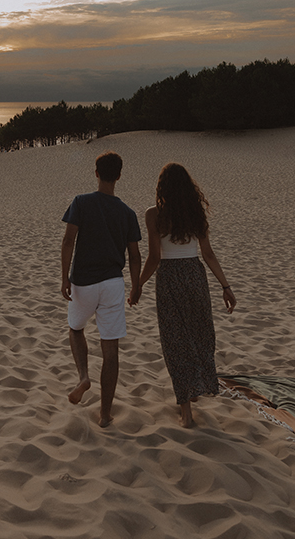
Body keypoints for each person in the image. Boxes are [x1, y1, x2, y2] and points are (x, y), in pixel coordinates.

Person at [131, 162, 236, 428]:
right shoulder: (195, 212)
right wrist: (226, 286)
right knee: (200, 334)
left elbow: (154, 258)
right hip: (194, 275)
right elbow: (208, 254)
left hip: (169, 278)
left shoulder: (154, 214)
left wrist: (138, 285)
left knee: (175, 340)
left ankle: (186, 411)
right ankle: (196, 387)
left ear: (162, 186)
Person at [61, 151, 142, 427]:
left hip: (83, 281)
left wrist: (64, 277)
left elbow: (68, 241)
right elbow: (134, 256)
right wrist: (136, 285)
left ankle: (84, 377)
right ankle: (105, 415)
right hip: (112, 284)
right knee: (111, 349)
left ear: (96, 173)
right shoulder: (127, 213)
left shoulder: (81, 202)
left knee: (76, 329)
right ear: (119, 176)